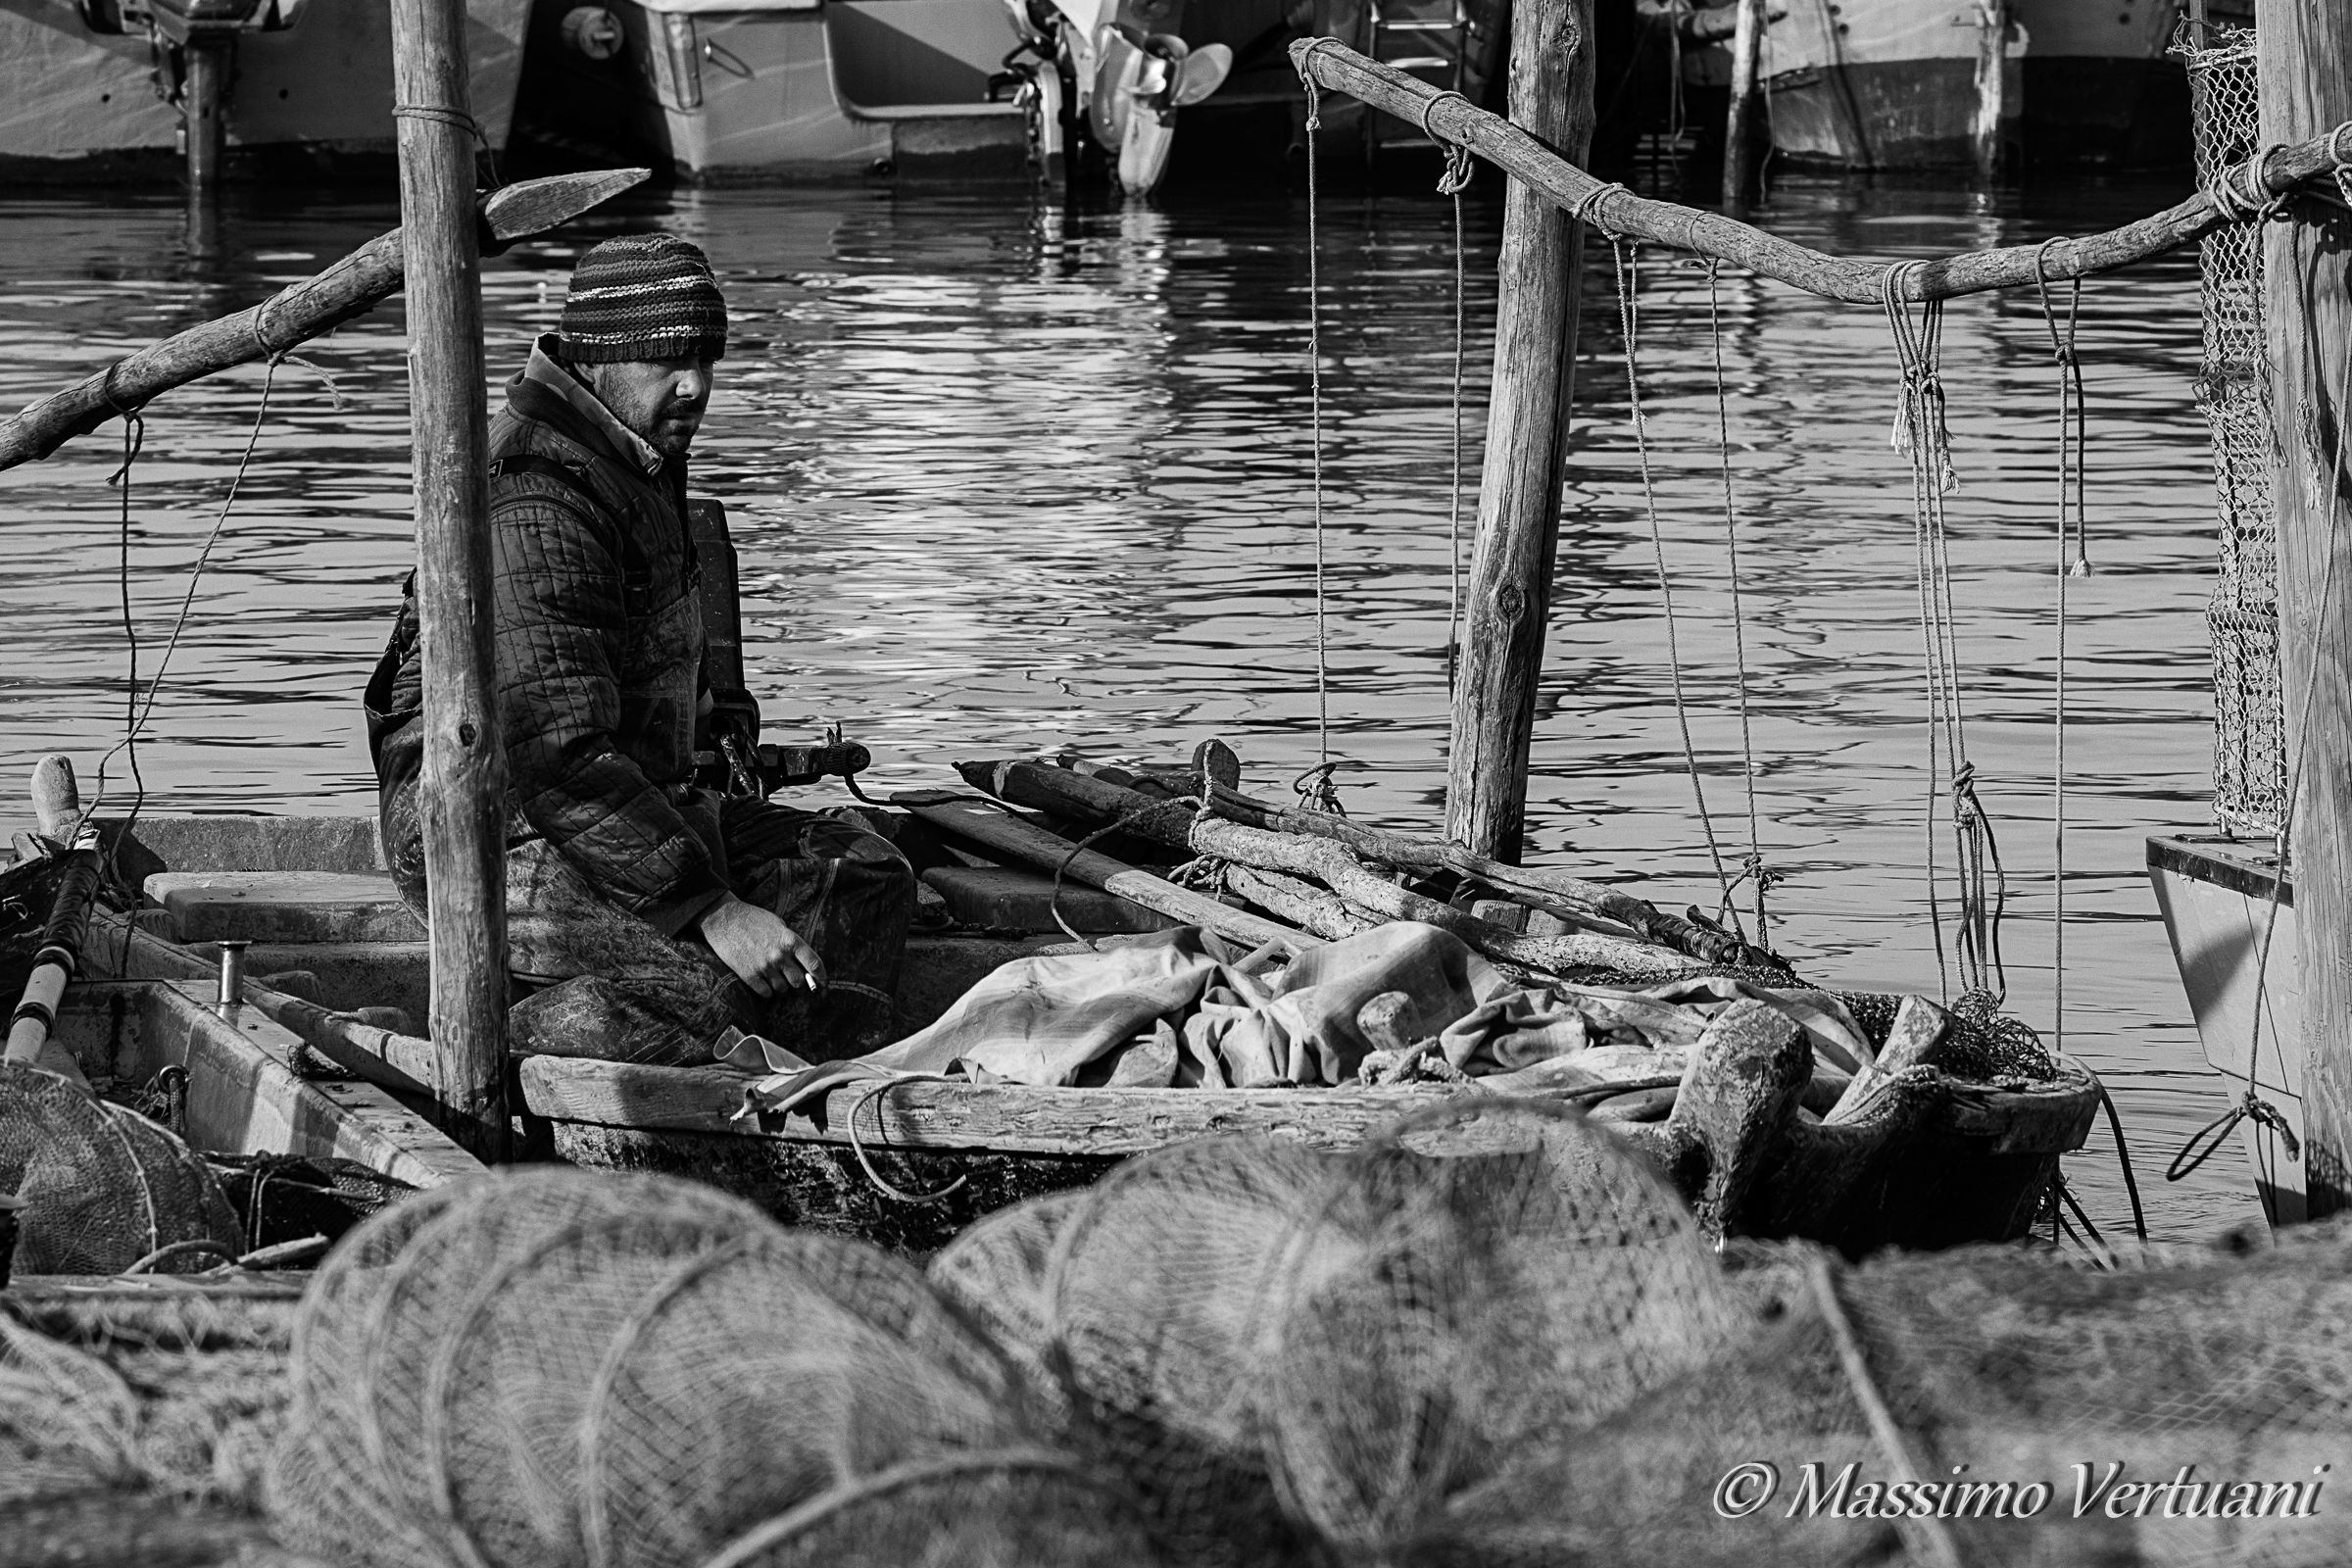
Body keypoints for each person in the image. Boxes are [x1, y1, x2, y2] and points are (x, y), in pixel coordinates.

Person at [366, 231, 915, 1066]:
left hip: (635, 796)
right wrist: (714, 909)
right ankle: (493, 1046)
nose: (694, 383)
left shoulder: (636, 452)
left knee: (866, 876)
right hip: (498, 826)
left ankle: (805, 1090)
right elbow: (554, 753)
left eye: (705, 357)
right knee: (701, 992)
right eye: (666, 359)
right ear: (596, 360)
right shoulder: (539, 502)